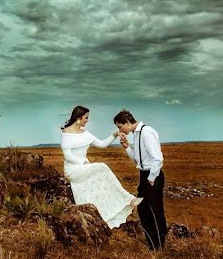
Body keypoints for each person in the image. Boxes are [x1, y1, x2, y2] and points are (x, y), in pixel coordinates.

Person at [60, 105, 142, 229]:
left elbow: (102, 144)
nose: (87, 120)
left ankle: (125, 201)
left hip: (84, 167)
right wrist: (83, 163)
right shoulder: (67, 133)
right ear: (78, 118)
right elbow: (68, 156)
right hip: (73, 169)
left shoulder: (85, 133)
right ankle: (129, 199)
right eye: (86, 118)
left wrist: (115, 134)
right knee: (102, 167)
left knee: (102, 175)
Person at [114, 109, 167, 250]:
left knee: (156, 212)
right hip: (144, 176)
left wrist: (151, 178)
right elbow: (138, 160)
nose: (120, 130)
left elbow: (158, 158)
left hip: (152, 176)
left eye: (120, 126)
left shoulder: (146, 132)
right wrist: (126, 147)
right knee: (143, 211)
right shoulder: (136, 135)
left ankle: (160, 246)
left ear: (127, 122)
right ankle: (152, 244)